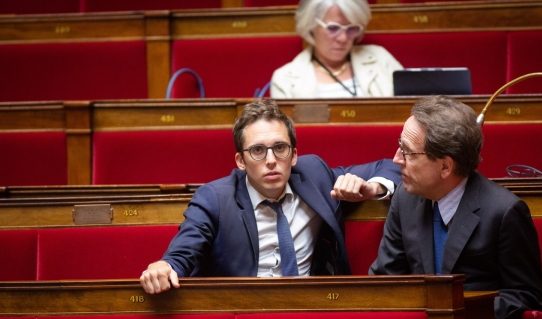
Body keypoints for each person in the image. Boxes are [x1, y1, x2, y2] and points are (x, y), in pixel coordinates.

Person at [369, 95, 542, 319]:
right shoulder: (405, 198)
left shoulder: (504, 211)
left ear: (445, 166)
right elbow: (386, 279)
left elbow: (526, 295)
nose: (396, 159)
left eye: (408, 152)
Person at [141, 98, 400, 294]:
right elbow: (182, 254)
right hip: (243, 310)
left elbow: (390, 166)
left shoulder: (315, 175)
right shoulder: (215, 198)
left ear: (294, 155)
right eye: (257, 151)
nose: (271, 160)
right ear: (240, 161)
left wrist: (373, 187)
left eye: (280, 148)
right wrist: (164, 267)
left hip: (313, 305)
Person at [270, 0, 403, 98]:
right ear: (311, 25)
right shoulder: (285, 80)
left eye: (352, 28)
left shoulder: (381, 59)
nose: (343, 38)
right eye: (333, 28)